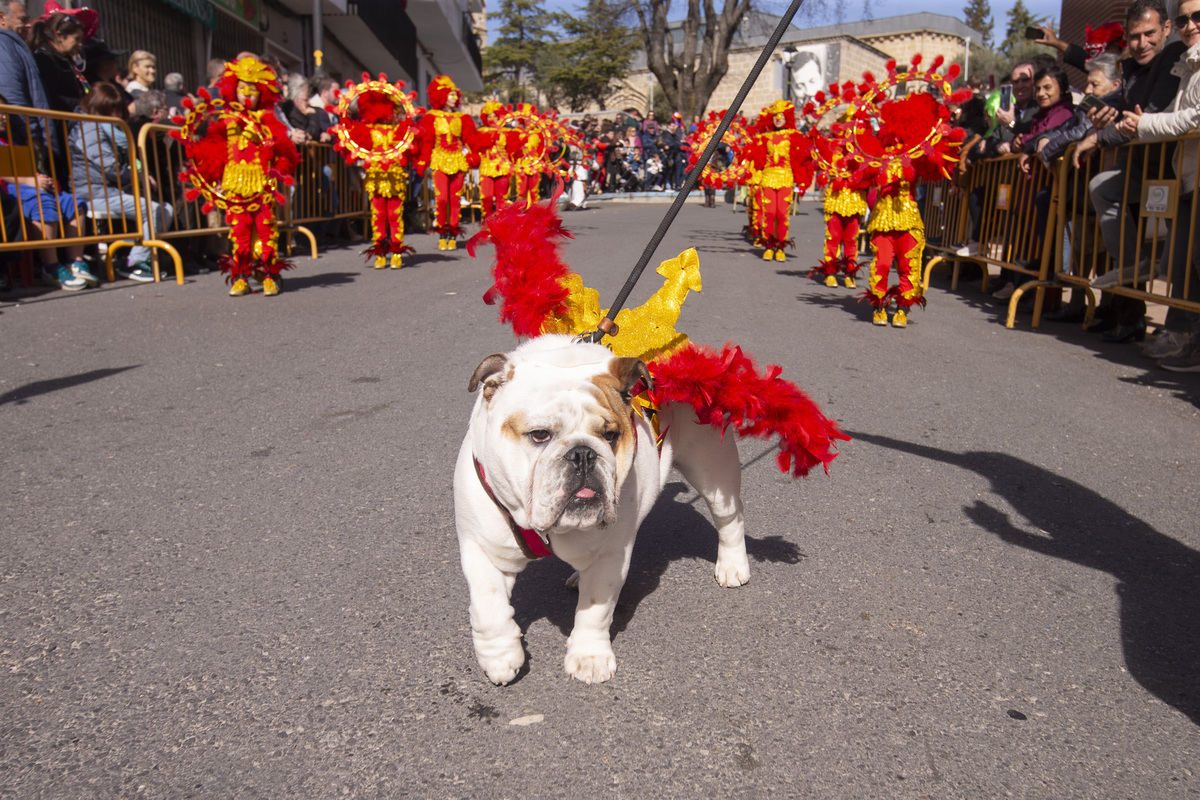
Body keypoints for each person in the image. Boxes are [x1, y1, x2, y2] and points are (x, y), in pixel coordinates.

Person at [1074, 0, 1187, 343]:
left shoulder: (1175, 55)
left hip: (1176, 171)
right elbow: (1124, 115)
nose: (1142, 43)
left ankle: (1181, 332)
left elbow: (1147, 116)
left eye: (1149, 33)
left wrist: (1101, 137)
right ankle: (1133, 268)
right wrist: (1102, 123)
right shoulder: (1133, 68)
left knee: (1181, 259)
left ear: (1166, 30)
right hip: (1143, 171)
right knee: (1103, 188)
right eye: (1134, 36)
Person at [1114, 0, 1200, 369]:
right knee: (1183, 265)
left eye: (1198, 16)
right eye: (1183, 18)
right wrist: (1133, 123)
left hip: (1191, 177)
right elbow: (1169, 115)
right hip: (1184, 176)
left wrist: (1144, 125)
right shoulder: (1187, 64)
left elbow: (1193, 119)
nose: (1190, 24)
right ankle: (1184, 337)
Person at [176, 57, 298, 296]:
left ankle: (269, 273)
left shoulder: (268, 119)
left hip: (262, 183)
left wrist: (267, 143)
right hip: (234, 184)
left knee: (265, 229)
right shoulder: (227, 118)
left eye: (252, 90)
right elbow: (215, 150)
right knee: (240, 231)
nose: (246, 95)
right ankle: (240, 275)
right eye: (242, 89)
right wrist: (198, 154)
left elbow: (282, 151)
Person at [70, 82, 173, 283]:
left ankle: (130, 255)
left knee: (163, 210)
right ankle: (133, 262)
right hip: (93, 193)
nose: (116, 114)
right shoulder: (89, 128)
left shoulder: (109, 129)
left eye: (118, 108)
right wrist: (139, 176)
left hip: (109, 191)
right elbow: (109, 166)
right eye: (111, 109)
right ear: (99, 107)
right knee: (155, 211)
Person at [0, 90, 91, 289]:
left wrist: (41, 179)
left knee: (72, 203)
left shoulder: (12, 141)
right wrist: (29, 181)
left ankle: (76, 261)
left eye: (4, 111)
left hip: (27, 185)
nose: (3, 116)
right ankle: (51, 266)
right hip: (10, 191)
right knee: (43, 203)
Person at [415, 74, 479, 250]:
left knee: (455, 199)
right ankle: (442, 232)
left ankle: (452, 232)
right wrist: (422, 161)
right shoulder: (431, 117)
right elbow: (427, 142)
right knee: (442, 199)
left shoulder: (462, 118)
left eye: (454, 94)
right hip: (439, 159)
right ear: (440, 95)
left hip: (458, 160)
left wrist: (473, 155)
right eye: (450, 94)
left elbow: (470, 140)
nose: (454, 98)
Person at [744, 99, 811, 261]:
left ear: (787, 117)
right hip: (768, 177)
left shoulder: (795, 136)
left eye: (781, 116)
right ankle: (768, 245)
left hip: (786, 178)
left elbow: (802, 157)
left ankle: (780, 246)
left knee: (781, 214)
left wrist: (802, 179)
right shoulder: (765, 137)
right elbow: (754, 155)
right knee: (770, 213)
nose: (778, 119)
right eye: (775, 116)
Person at [28, 8, 91, 113]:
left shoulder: (66, 60)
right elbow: (51, 97)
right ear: (60, 36)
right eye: (76, 39)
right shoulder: (45, 59)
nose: (80, 44)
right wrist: (82, 105)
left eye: (81, 40)